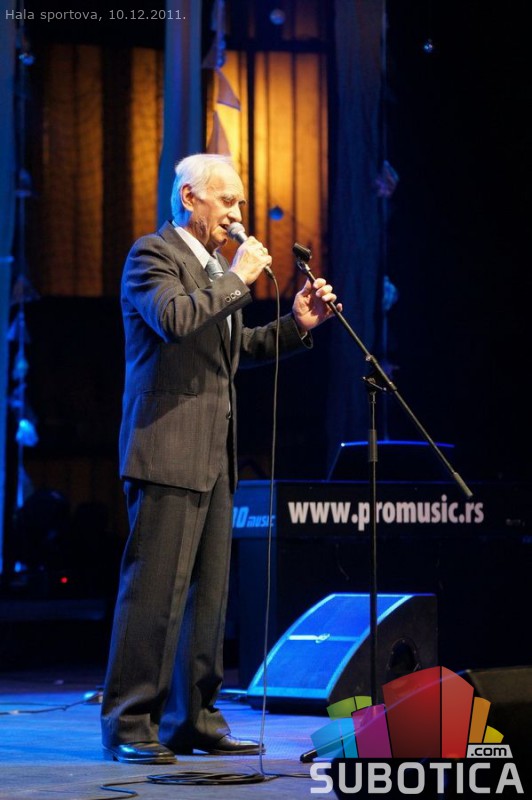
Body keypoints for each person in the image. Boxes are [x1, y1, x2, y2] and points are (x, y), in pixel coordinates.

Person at [100, 153, 340, 764]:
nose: (237, 214)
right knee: (154, 593)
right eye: (227, 201)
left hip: (214, 454)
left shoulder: (212, 271)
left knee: (207, 599)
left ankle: (194, 720)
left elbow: (235, 349)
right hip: (165, 449)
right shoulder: (152, 256)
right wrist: (237, 278)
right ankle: (130, 724)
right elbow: (176, 319)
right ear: (189, 198)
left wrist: (295, 324)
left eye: (239, 203)